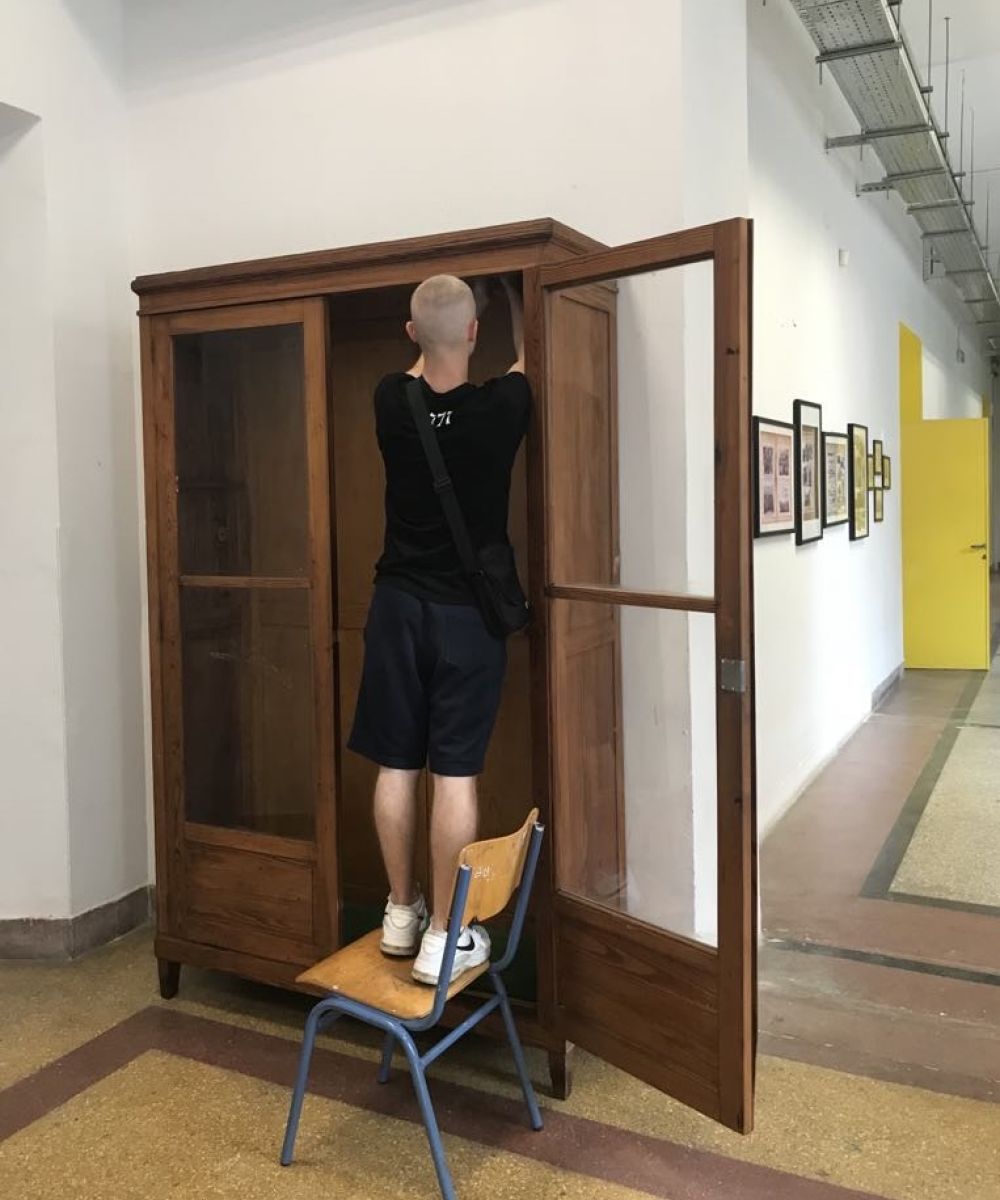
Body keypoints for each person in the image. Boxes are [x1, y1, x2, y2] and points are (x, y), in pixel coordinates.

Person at [347, 273, 530, 985]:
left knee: (397, 765)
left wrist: (432, 329)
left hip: (396, 608)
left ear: (410, 334)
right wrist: (512, 303)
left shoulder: (391, 400)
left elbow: (418, 369)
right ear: (475, 334)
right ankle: (446, 938)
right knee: (454, 776)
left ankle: (400, 913)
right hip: (465, 618)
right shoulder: (501, 406)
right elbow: (529, 361)